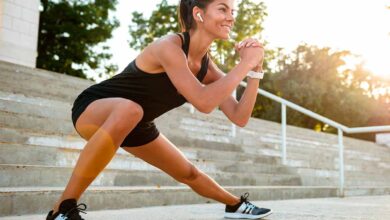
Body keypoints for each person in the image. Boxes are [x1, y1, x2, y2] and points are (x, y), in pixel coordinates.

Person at [46, 0, 273, 219]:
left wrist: (255, 71)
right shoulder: (169, 47)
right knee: (130, 110)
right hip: (95, 107)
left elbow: (239, 116)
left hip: (136, 121)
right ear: (198, 14)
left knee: (188, 172)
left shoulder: (206, 67)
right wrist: (244, 64)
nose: (231, 17)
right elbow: (204, 102)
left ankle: (235, 205)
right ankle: (62, 209)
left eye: (233, 10)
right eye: (223, 9)